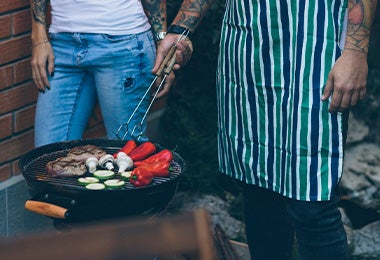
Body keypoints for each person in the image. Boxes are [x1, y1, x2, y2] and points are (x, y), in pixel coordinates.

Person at [156, 0, 377, 259]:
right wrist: (180, 30)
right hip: (249, 53)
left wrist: (355, 53)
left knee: (312, 204)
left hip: (315, 52)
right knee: (258, 189)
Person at [30, 0, 192, 147]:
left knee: (125, 153)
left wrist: (162, 46)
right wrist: (38, 38)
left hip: (124, 45)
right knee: (47, 155)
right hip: (62, 46)